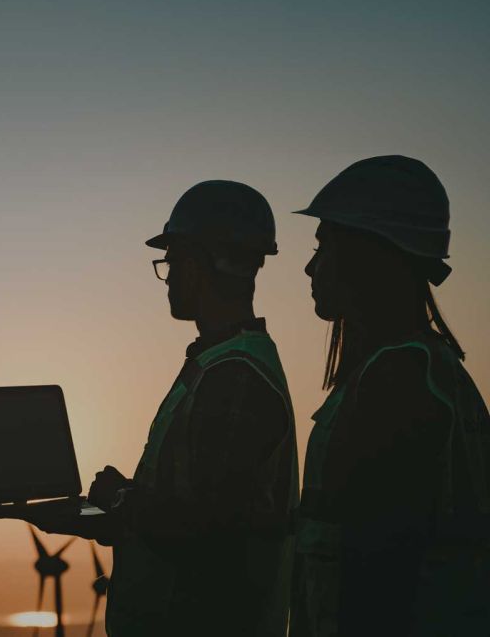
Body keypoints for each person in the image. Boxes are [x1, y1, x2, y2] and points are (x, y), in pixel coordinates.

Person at [24, 180, 299, 636]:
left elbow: (206, 530)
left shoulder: (234, 377)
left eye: (170, 261)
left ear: (196, 264)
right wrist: (106, 517)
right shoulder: (220, 363)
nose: (167, 276)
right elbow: (201, 509)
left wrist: (118, 499)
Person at [291, 155, 490, 637]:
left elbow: (378, 579)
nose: (310, 265)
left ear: (368, 251)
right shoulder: (426, 370)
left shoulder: (397, 382)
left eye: (325, 245)